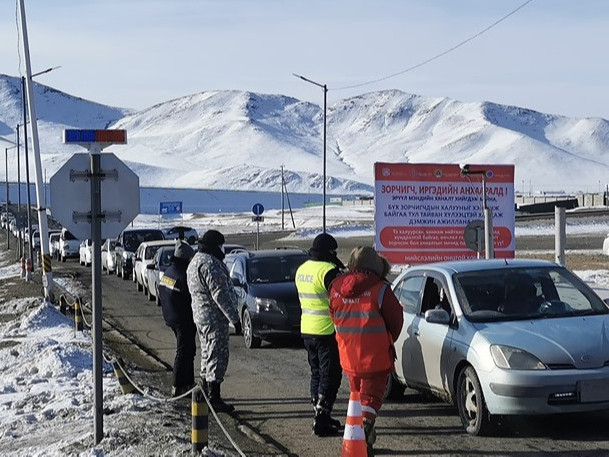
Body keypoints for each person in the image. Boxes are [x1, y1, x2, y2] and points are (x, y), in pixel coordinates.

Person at [329, 246, 403, 456]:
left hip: (348, 356)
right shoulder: (380, 290)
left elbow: (333, 316)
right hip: (375, 357)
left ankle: (365, 439)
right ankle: (361, 438)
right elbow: (396, 319)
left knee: (357, 398)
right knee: (370, 399)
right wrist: (387, 339)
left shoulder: (335, 287)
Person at [295, 232, 345, 436]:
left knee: (316, 372)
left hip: (307, 329)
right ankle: (322, 418)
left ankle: (318, 412)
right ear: (329, 252)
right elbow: (341, 300)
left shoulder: (302, 269)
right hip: (326, 330)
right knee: (331, 374)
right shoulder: (328, 271)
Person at [186, 229, 242, 412]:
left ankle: (204, 390)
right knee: (217, 355)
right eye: (219, 246)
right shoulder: (210, 264)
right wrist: (235, 319)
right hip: (213, 318)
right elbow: (221, 295)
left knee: (207, 354)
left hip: (201, 316)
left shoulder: (194, 262)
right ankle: (213, 397)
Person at [158, 240, 196, 397]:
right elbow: (189, 298)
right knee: (183, 352)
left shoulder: (169, 272)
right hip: (183, 320)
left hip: (172, 317)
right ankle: (177, 385)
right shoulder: (182, 276)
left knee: (188, 350)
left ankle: (187, 383)